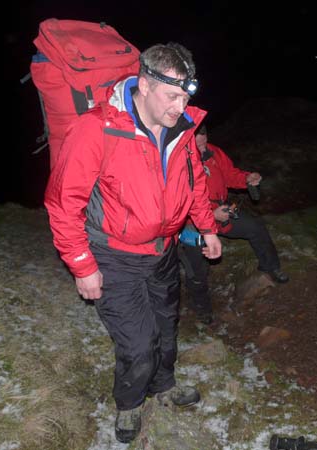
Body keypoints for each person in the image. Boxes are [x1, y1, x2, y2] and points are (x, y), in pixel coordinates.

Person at [44, 42, 222, 444]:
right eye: (172, 96)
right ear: (144, 84)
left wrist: (207, 227)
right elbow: (62, 202)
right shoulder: (97, 128)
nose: (180, 106)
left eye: (185, 96)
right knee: (138, 343)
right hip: (113, 257)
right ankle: (128, 403)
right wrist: (83, 266)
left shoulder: (183, 129)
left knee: (166, 327)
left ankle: (163, 386)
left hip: (162, 251)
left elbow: (192, 183)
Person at [178, 123, 288, 324]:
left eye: (204, 143)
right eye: (198, 147)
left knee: (255, 227)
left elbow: (229, 174)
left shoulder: (214, 152)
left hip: (223, 214)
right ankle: (202, 307)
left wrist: (247, 178)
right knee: (198, 270)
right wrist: (210, 214)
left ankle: (271, 267)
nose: (203, 150)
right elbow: (177, 204)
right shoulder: (178, 161)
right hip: (192, 225)